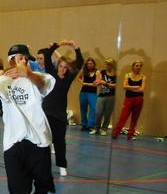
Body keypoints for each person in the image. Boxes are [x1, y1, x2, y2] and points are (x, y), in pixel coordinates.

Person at [0, 45, 56, 194]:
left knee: (43, 178)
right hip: (14, 138)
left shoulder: (37, 77)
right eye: (19, 58)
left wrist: (28, 74)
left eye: (25, 58)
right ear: (10, 61)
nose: (23, 60)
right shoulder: (3, 79)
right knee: (16, 179)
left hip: (38, 137)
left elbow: (44, 86)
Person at [41, 40, 84, 177]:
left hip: (59, 115)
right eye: (61, 66)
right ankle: (44, 165)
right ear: (57, 65)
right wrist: (57, 45)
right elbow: (47, 56)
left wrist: (75, 47)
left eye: (65, 67)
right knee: (44, 141)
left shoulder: (69, 78)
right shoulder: (51, 73)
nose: (63, 69)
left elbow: (80, 62)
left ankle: (62, 165)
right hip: (46, 112)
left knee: (60, 141)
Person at [112, 61, 146, 140]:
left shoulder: (143, 77)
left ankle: (130, 134)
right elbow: (124, 86)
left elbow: (141, 90)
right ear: (133, 66)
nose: (138, 67)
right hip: (128, 99)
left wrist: (130, 88)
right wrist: (136, 87)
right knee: (123, 117)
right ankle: (115, 133)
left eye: (140, 66)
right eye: (137, 65)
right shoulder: (127, 75)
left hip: (139, 99)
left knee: (135, 118)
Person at [91, 57, 117, 136]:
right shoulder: (102, 72)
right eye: (106, 64)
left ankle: (104, 129)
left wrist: (106, 83)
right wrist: (96, 83)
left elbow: (115, 85)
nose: (107, 66)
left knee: (107, 114)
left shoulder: (115, 74)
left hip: (111, 96)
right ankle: (96, 128)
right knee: (98, 113)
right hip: (101, 95)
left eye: (108, 65)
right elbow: (97, 82)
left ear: (112, 65)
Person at [78, 57, 99, 131]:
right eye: (88, 64)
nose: (89, 65)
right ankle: (84, 124)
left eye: (91, 63)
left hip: (92, 93)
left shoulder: (97, 72)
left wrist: (86, 84)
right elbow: (78, 78)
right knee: (83, 109)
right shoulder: (84, 71)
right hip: (83, 92)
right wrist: (82, 82)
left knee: (93, 108)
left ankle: (90, 125)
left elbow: (96, 84)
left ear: (94, 64)